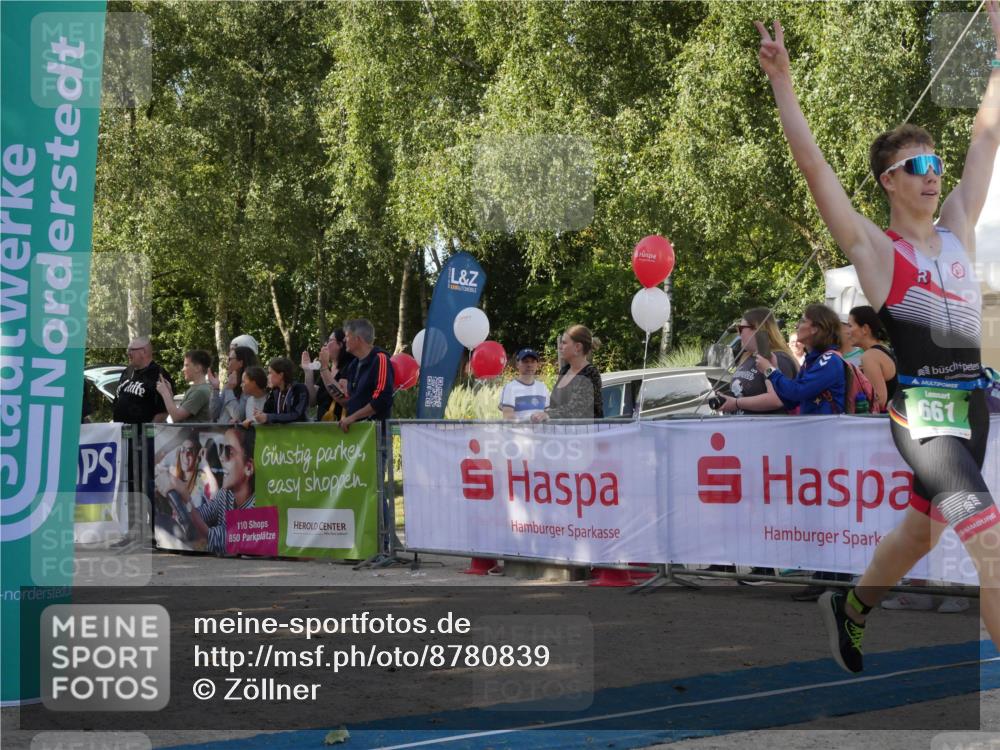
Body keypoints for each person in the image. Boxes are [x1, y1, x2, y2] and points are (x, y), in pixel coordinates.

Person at [756, 4, 1000, 673]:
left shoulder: (957, 227)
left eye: (935, 162)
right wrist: (783, 84)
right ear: (890, 180)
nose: (933, 172)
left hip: (971, 409)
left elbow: (986, 135)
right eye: (917, 163)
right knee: (992, 542)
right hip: (922, 413)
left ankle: (851, 608)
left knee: (921, 533)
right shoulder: (877, 251)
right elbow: (812, 167)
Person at [754, 304, 846, 415]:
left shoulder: (830, 360)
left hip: (827, 429)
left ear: (815, 329)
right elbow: (791, 400)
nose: (797, 325)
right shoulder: (812, 360)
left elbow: (798, 391)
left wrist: (769, 370)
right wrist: (775, 368)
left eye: (802, 321)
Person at [188, 426, 256, 556]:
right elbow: (204, 513)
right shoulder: (226, 494)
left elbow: (216, 539)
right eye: (221, 450)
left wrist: (185, 499)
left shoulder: (256, 506)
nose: (221, 458)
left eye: (229, 452)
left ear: (248, 467)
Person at [717, 307, 799, 414]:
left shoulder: (777, 358)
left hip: (767, 429)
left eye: (741, 328)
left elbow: (776, 399)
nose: (738, 333)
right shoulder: (747, 357)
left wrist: (737, 403)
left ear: (757, 329)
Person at [532, 325, 603, 421]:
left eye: (564, 343)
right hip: (563, 434)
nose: (560, 347)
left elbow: (577, 408)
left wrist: (548, 414)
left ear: (577, 347)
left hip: (585, 434)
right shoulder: (564, 370)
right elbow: (554, 405)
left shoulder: (590, 373)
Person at [335, 318, 394, 433]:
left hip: (374, 436)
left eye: (347, 336)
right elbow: (353, 401)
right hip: (355, 435)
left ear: (358, 339)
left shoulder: (380, 359)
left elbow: (382, 399)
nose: (344, 340)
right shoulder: (353, 365)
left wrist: (353, 417)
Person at [112, 336, 174, 424]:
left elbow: (163, 411)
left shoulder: (159, 374)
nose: (127, 353)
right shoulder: (127, 371)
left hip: (143, 435)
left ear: (143, 352)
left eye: (131, 350)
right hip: (121, 433)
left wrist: (147, 433)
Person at [846, 305, 898, 411]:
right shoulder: (884, 350)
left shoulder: (870, 356)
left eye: (850, 326)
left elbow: (878, 400)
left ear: (865, 329)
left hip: (881, 423)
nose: (848, 331)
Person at [304, 329, 356, 421]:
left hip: (342, 427)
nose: (325, 344)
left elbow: (344, 398)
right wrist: (308, 372)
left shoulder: (351, 366)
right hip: (324, 428)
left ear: (340, 345)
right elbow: (311, 400)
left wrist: (323, 368)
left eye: (329, 340)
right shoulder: (328, 370)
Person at [155, 349, 213, 423]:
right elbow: (177, 413)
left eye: (186, 365)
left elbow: (176, 417)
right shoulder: (197, 389)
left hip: (194, 434)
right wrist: (170, 393)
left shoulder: (200, 391)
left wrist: (165, 393)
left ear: (197, 368)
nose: (183, 369)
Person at [210, 345, 258, 423]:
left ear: (240, 363)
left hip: (237, 434)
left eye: (230, 359)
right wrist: (215, 389)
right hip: (220, 433)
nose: (227, 362)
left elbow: (238, 415)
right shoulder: (228, 385)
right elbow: (213, 415)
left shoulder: (249, 386)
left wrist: (229, 390)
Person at [254, 357, 309, 424]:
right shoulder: (274, 392)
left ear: (280, 375)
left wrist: (268, 417)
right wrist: (259, 415)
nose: (268, 376)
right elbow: (267, 413)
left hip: (299, 433)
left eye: (270, 373)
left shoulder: (300, 389)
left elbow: (296, 415)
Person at [500, 348, 550, 421]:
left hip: (542, 432)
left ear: (537, 365)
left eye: (533, 362)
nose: (529, 365)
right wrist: (529, 419)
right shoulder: (510, 387)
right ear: (517, 364)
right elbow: (508, 416)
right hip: (519, 432)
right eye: (525, 361)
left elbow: (547, 412)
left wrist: (546, 415)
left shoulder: (543, 387)